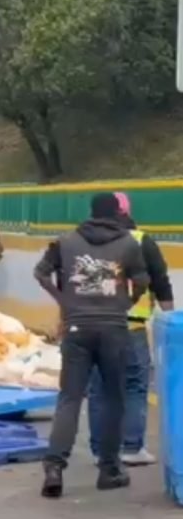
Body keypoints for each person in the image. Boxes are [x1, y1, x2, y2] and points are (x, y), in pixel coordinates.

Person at [33, 193, 149, 499]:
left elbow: (40, 272)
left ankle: (55, 466)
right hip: (113, 329)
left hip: (76, 328)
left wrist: (64, 301)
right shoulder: (128, 244)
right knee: (114, 398)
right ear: (117, 213)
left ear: (92, 212)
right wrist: (126, 302)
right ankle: (109, 470)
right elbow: (143, 280)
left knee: (70, 398)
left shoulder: (66, 241)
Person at [88, 192, 175, 466]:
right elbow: (160, 280)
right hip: (130, 327)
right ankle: (131, 447)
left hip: (93, 324)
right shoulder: (140, 241)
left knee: (99, 387)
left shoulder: (81, 241)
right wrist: (171, 318)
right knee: (135, 385)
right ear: (125, 212)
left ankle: (101, 450)